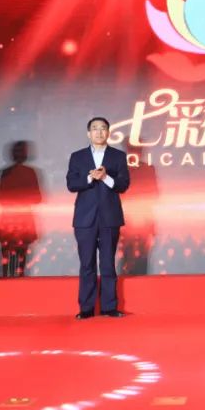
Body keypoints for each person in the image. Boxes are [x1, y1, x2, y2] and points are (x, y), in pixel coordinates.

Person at [66, 117, 130, 319]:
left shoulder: (118, 156)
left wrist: (105, 178)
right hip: (84, 218)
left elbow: (123, 185)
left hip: (110, 217)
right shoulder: (77, 156)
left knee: (108, 264)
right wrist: (89, 178)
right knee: (87, 264)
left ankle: (109, 307)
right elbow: (71, 184)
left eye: (103, 128)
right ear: (89, 133)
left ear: (108, 133)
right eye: (95, 129)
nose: (99, 132)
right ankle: (86, 308)